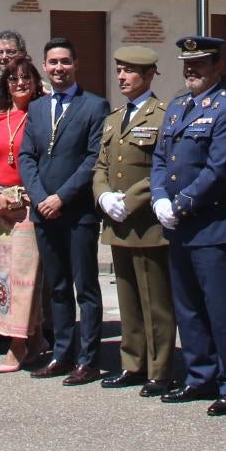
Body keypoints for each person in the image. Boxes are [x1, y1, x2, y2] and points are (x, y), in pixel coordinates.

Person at [151, 35, 226, 413]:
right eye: (187, 64)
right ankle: (199, 375)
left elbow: (219, 167)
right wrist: (159, 197)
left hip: (211, 225)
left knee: (222, 308)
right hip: (178, 225)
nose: (192, 70)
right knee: (187, 307)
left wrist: (182, 203)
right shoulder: (176, 108)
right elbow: (160, 158)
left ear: (217, 67)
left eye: (201, 63)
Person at [18, 37, 109, 385]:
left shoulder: (95, 106)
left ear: (75, 65)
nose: (59, 68)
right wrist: (41, 196)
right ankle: (61, 353)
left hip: (77, 213)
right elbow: (27, 156)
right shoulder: (37, 108)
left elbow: (92, 159)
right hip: (44, 212)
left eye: (65, 62)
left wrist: (61, 197)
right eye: (53, 62)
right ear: (45, 66)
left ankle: (88, 360)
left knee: (85, 287)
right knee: (56, 287)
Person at [90, 45, 174, 394]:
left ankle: (160, 369)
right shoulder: (114, 118)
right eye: (119, 69)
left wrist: (131, 200)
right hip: (117, 221)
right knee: (127, 299)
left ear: (150, 74)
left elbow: (165, 167)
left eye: (130, 71)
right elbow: (101, 166)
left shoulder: (164, 115)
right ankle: (132, 362)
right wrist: (104, 195)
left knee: (155, 302)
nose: (122, 77)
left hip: (146, 224)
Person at [0, 54, 46, 372]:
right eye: (13, 78)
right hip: (1, 208)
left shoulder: (41, 116)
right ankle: (35, 338)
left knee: (26, 279)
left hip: (28, 206)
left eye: (26, 78)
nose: (20, 83)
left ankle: (17, 344)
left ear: (35, 83)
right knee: (5, 277)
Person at [0, 30, 28, 112]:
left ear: (23, 54)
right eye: (0, 52)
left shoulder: (37, 88)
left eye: (10, 52)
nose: (4, 57)